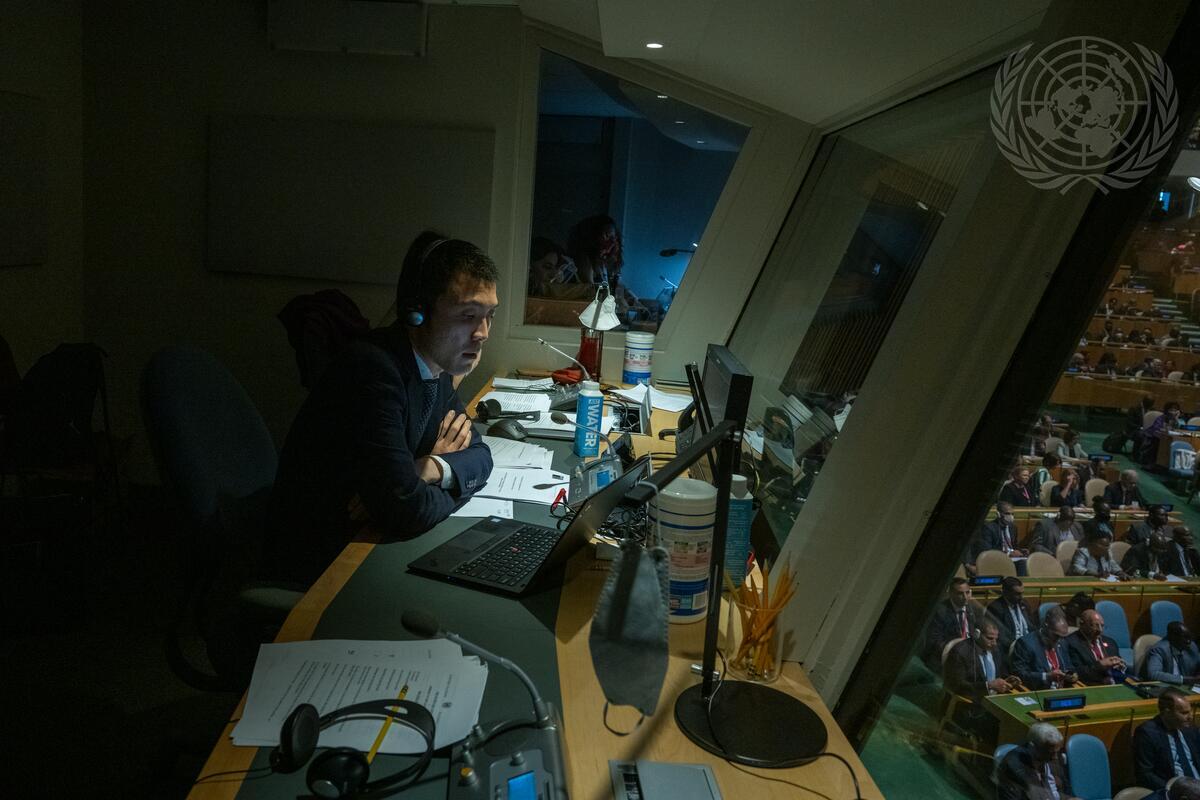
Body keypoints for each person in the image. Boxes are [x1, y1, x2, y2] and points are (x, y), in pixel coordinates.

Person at [265, 232, 498, 586]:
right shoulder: (374, 369)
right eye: (468, 315)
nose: (483, 333)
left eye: (489, 316)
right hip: (323, 558)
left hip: (369, 540)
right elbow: (404, 510)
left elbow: (481, 456)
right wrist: (416, 488)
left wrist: (430, 468)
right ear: (418, 313)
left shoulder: (434, 368)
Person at [943, 619, 1018, 737]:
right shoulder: (960, 652)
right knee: (1006, 727)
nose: (994, 643)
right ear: (977, 634)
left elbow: (999, 674)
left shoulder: (995, 650)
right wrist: (989, 685)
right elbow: (957, 685)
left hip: (993, 702)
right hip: (970, 706)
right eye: (990, 638)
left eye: (996, 639)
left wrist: (1007, 680)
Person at [565, 214, 644, 319]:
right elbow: (593, 294)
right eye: (607, 236)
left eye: (614, 237)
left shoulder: (605, 262)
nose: (613, 242)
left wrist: (638, 303)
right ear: (592, 237)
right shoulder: (583, 260)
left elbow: (620, 287)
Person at [1135, 688, 1200, 791]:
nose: (1190, 717)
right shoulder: (1148, 733)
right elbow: (1145, 774)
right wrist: (1171, 790)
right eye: (1184, 713)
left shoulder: (1190, 729)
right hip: (1174, 790)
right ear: (1167, 712)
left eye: (1190, 712)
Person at [996, 723, 1077, 800]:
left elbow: (1066, 786)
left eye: (1057, 751)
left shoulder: (1053, 751)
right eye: (1050, 753)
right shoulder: (1012, 767)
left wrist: (1070, 798)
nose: (1055, 757)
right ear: (1032, 747)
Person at [923, 578, 984, 671]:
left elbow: (980, 631)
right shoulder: (939, 612)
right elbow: (934, 642)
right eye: (960, 593)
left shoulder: (975, 609)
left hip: (971, 655)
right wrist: (957, 650)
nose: (965, 597)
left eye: (967, 592)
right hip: (948, 656)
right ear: (951, 594)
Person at [1011, 605, 1078, 690]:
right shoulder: (1025, 643)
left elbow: (1069, 667)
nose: (1059, 640)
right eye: (1056, 636)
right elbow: (1019, 674)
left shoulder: (1062, 642)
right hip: (1040, 691)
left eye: (1062, 637)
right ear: (1046, 626)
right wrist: (1046, 676)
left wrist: (1072, 675)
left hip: (1062, 690)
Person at [1064, 609, 1126, 685]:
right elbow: (1076, 673)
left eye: (1102, 626)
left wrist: (1121, 667)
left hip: (1115, 684)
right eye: (1094, 625)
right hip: (1090, 685)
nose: (1100, 630)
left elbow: (1121, 668)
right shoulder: (1071, 643)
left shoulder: (1110, 642)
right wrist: (1100, 665)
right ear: (1082, 624)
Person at [986, 577, 1037, 653]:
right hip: (1010, 648)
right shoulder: (995, 608)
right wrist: (1018, 646)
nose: (1021, 597)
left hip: (1028, 645)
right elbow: (1001, 637)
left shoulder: (1024, 604)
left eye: (1022, 593)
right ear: (1006, 593)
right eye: (1017, 594)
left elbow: (1031, 626)